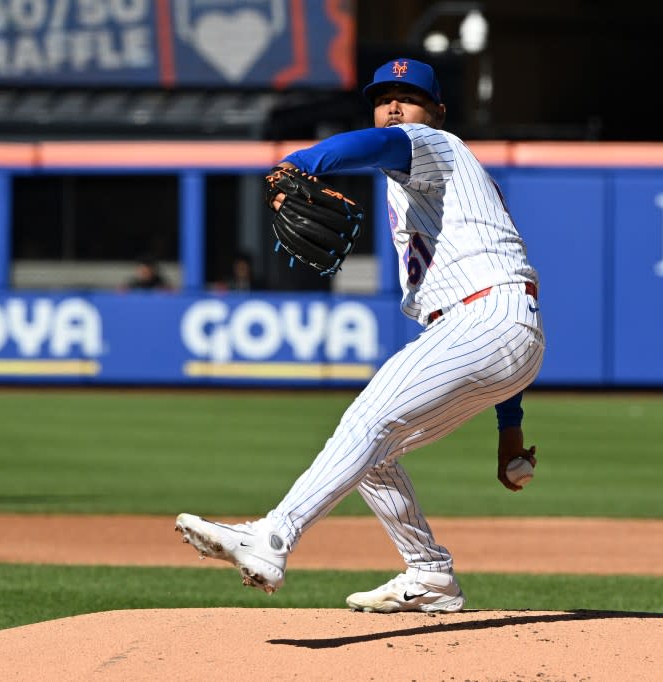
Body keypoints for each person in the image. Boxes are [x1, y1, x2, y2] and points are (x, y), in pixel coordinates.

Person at [175, 58, 545, 613]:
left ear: (437, 111)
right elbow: (501, 312)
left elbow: (382, 143)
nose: (394, 106)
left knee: (368, 419)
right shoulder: (430, 185)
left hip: (488, 317)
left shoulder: (435, 145)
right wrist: (510, 427)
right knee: (371, 451)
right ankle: (430, 574)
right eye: (382, 96)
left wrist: (302, 161)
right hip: (496, 327)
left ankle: (273, 535)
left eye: (409, 96)